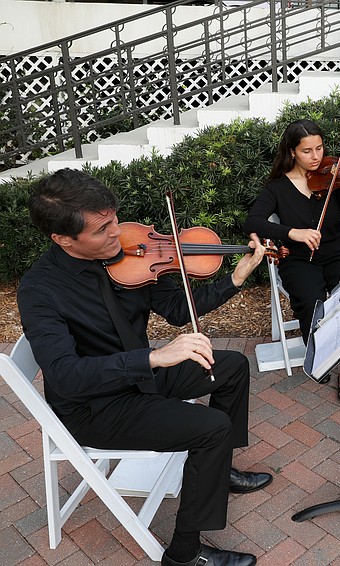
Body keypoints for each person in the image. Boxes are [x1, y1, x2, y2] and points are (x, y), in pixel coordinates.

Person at [18, 169, 273, 566]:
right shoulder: (40, 290)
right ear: (63, 239)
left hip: (141, 374)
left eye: (115, 219)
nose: (117, 233)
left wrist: (236, 279)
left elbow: (174, 310)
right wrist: (152, 357)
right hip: (97, 405)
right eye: (103, 230)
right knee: (211, 429)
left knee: (233, 366)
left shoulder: (130, 253)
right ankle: (185, 554)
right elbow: (66, 374)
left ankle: (217, 473)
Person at [243, 119, 340, 399]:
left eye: (319, 148)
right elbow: (252, 221)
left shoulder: (336, 180)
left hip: (337, 254)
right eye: (307, 151)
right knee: (312, 304)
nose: (315, 157)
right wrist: (293, 232)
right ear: (292, 152)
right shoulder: (277, 188)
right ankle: (323, 355)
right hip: (299, 260)